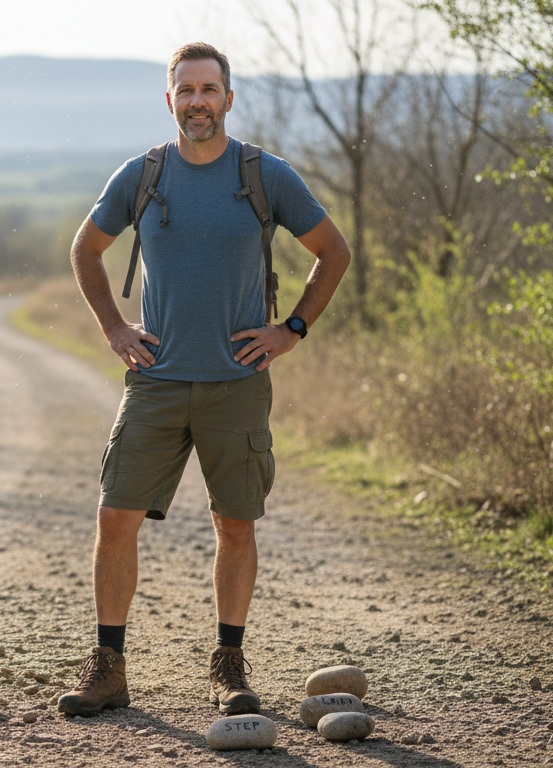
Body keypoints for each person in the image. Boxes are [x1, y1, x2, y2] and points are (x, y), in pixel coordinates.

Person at [57, 42, 351, 717]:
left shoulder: (265, 175)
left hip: (237, 383)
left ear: (228, 98)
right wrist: (113, 329)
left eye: (208, 90)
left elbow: (334, 251)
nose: (197, 102)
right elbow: (85, 249)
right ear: (170, 101)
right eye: (185, 91)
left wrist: (292, 330)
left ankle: (227, 665)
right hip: (156, 381)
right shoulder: (143, 174)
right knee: (114, 514)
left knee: (236, 524)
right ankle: (107, 667)